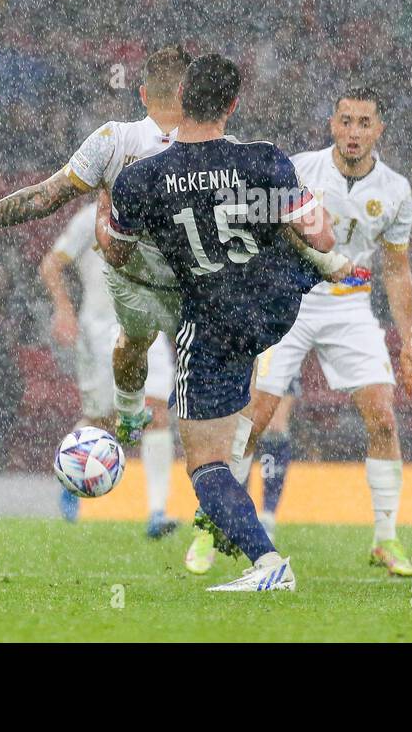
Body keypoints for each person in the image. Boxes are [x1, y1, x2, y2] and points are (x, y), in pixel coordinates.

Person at [98, 53, 342, 593]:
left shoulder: (143, 178)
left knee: (205, 464)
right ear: (232, 106)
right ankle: (335, 276)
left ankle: (267, 561)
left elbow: (115, 252)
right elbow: (321, 234)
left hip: (212, 323)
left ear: (179, 98)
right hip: (275, 307)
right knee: (302, 244)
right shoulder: (263, 160)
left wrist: (107, 215)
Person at [204, 89, 412, 578]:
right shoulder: (299, 169)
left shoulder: (395, 190)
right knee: (254, 418)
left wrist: (410, 339)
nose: (353, 131)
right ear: (332, 123)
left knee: (383, 419)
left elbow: (397, 270)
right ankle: (213, 523)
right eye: (346, 121)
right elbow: (260, 233)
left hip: (350, 309)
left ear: (378, 130)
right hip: (294, 301)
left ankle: (385, 539)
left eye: (363, 123)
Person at [0, 45, 192, 446]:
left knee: (133, 388)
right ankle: (215, 496)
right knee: (219, 415)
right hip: (196, 299)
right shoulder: (219, 151)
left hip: (135, 302)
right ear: (192, 96)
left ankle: (133, 444)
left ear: (142, 94)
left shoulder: (114, 140)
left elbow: (43, 197)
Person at [41, 199, 178, 536]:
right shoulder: (89, 219)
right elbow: (51, 265)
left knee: (156, 412)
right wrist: (63, 310)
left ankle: (157, 513)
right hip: (99, 330)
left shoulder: (155, 214)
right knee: (102, 418)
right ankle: (70, 478)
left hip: (145, 326)